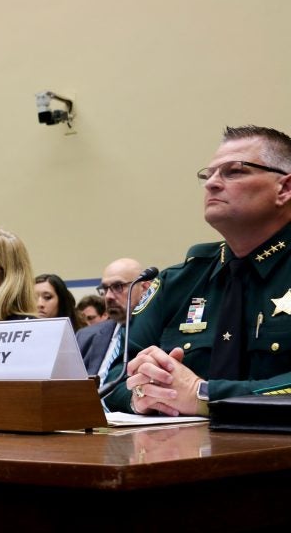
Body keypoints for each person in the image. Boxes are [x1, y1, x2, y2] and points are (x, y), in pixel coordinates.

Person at [104, 125, 291, 417]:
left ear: (285, 188)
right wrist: (141, 393)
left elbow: (195, 393)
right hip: (180, 455)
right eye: (209, 174)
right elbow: (116, 377)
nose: (212, 184)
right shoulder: (179, 281)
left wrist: (204, 395)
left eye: (234, 171)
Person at [76, 258, 151, 389]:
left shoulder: (157, 333)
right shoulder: (85, 336)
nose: (108, 296)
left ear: (144, 288)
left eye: (118, 287)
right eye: (105, 289)